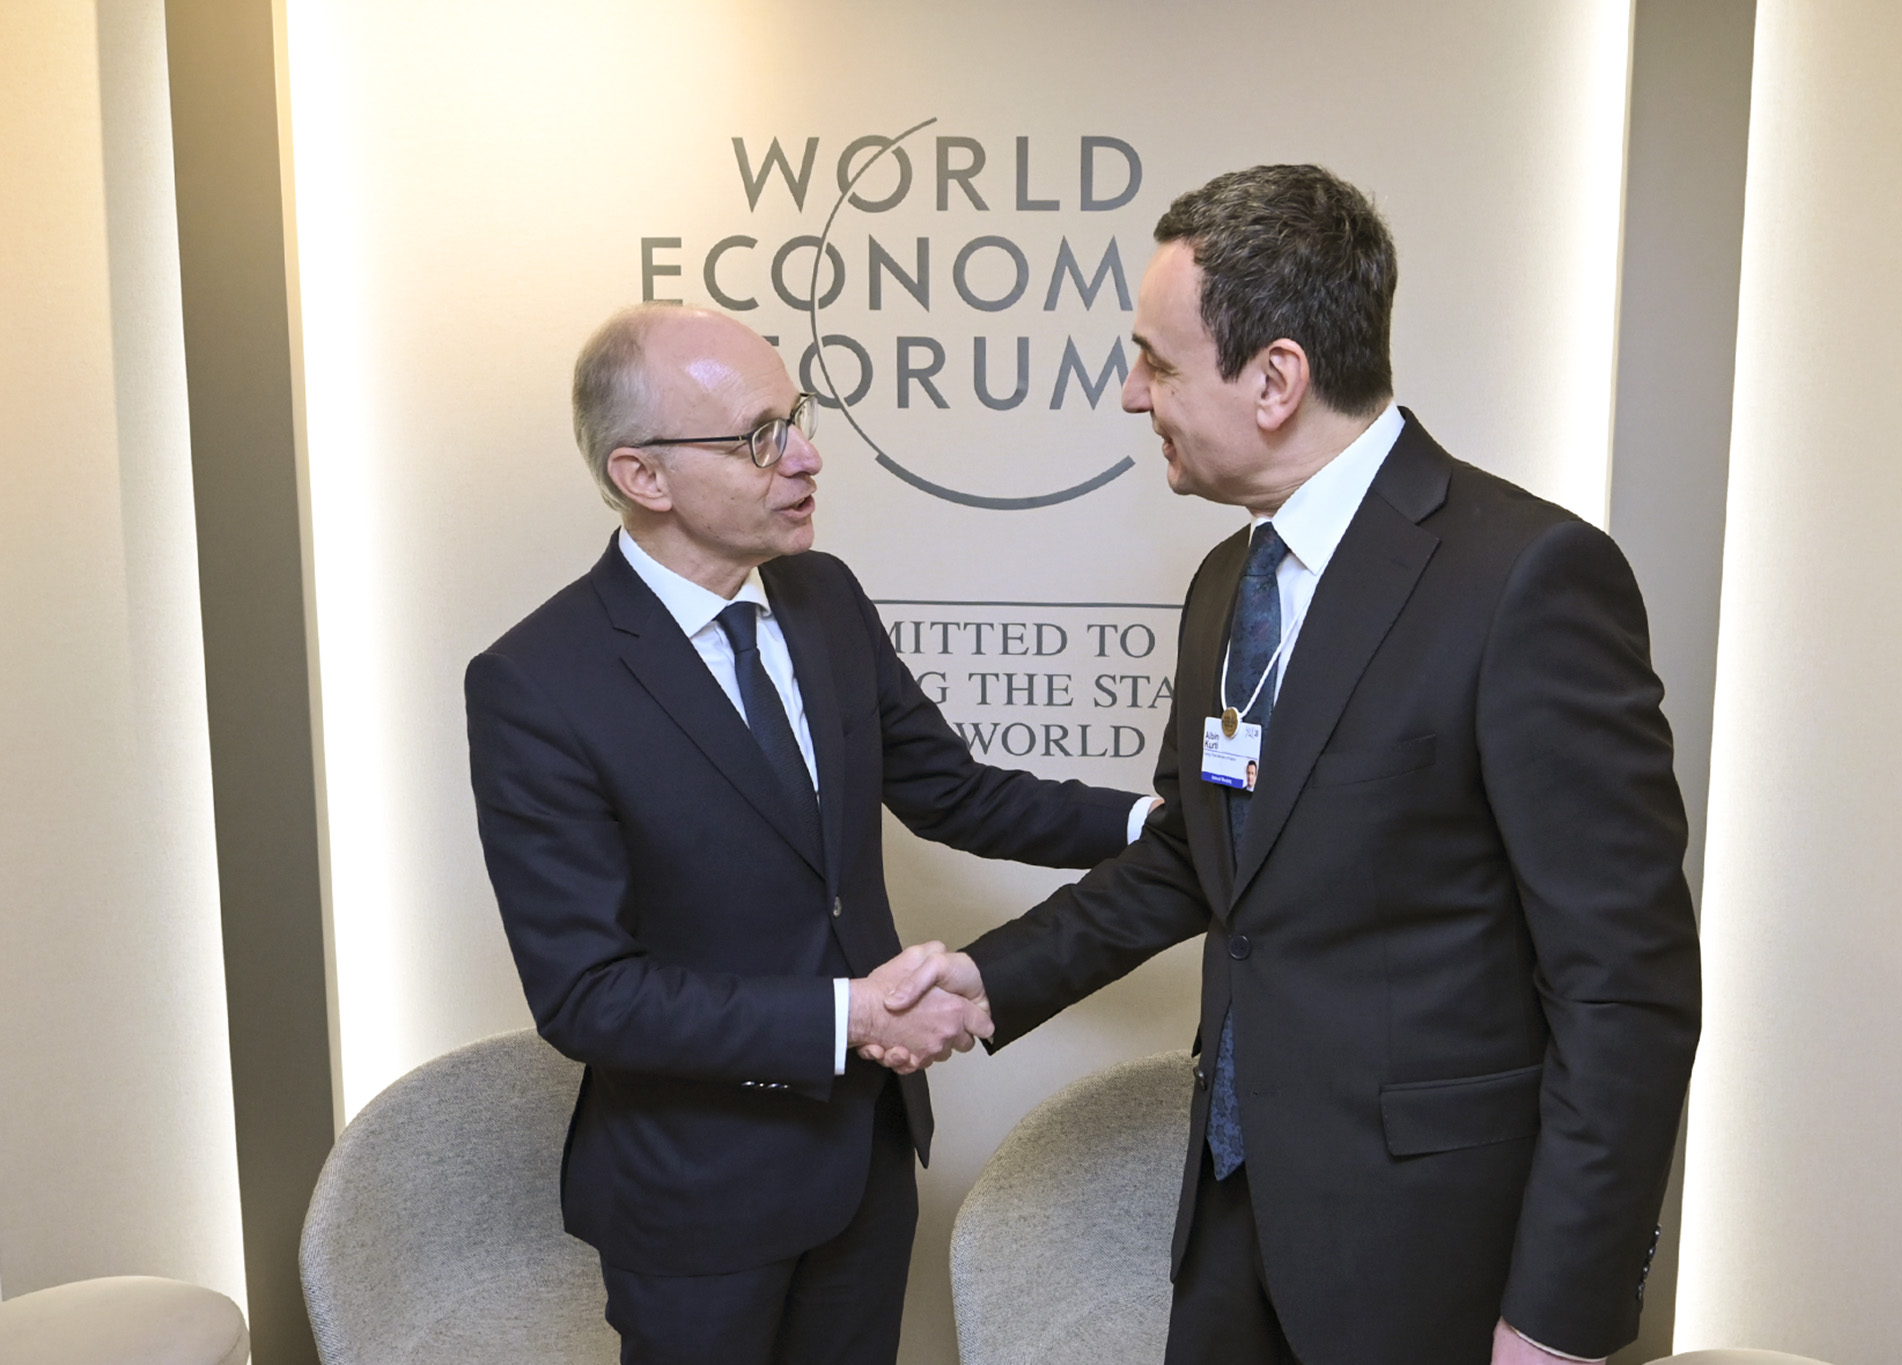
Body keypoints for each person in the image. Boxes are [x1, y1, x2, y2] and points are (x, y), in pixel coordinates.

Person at [878, 166, 1703, 1364]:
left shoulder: (1523, 580)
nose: (1131, 394)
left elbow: (1624, 984)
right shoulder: (1228, 583)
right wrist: (981, 983)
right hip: (1232, 1221)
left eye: (1156, 364)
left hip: (1430, 1256)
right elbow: (1195, 859)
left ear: (1273, 379)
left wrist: (1560, 1316)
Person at [464, 303, 1151, 1365]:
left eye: (796, 418)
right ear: (642, 475)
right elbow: (588, 994)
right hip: (696, 1200)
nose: (804, 456)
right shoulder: (538, 683)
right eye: (758, 437)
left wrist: (1157, 823)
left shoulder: (822, 597)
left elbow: (956, 793)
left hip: (862, 1156)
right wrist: (850, 1014)